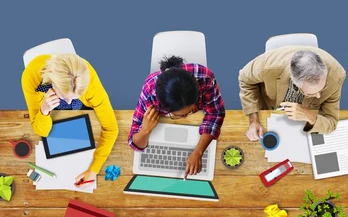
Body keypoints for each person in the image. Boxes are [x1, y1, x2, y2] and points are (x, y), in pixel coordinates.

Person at [22, 52, 118, 187]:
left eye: (74, 97)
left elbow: (112, 129)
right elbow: (41, 131)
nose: (68, 102)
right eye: (65, 96)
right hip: (50, 107)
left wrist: (93, 169)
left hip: (82, 112)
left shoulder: (90, 83)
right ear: (52, 82)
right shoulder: (31, 76)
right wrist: (44, 110)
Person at [129, 55, 225, 178]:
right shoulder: (150, 93)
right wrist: (145, 130)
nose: (185, 117)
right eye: (177, 115)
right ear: (163, 106)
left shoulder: (205, 77)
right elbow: (135, 143)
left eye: (191, 110)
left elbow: (216, 113)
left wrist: (198, 151)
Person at [239, 47, 346, 138]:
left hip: (302, 124)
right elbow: (244, 79)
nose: (319, 96)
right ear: (295, 82)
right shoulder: (267, 66)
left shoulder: (337, 76)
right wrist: (253, 119)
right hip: (269, 111)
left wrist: (310, 116)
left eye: (322, 87)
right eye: (311, 94)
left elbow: (331, 122)